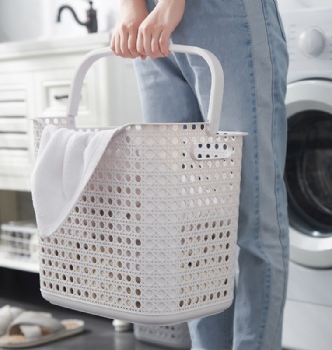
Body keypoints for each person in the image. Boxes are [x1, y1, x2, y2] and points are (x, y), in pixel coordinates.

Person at [111, 0, 289, 349]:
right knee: (190, 223)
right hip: (149, 22)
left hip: (224, 13)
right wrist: (129, 5)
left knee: (255, 217)